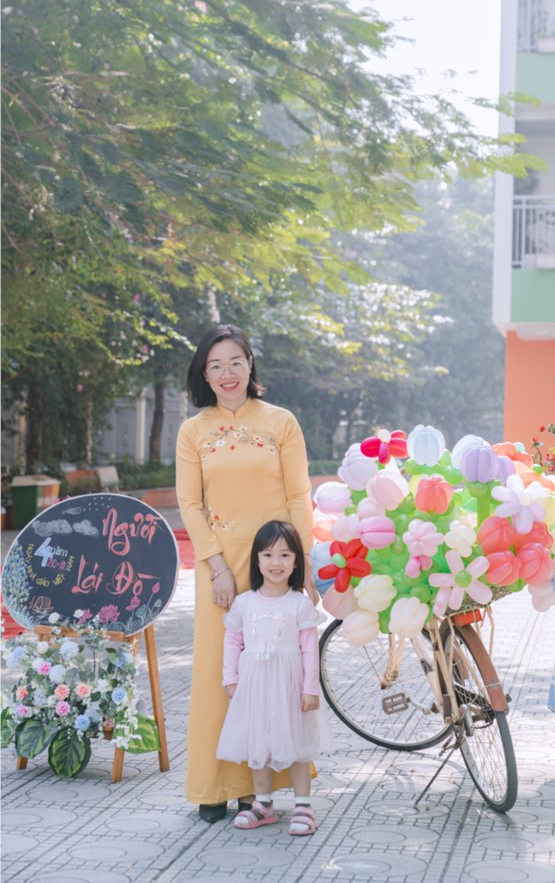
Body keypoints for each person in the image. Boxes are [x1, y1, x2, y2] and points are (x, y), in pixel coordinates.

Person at [176, 324, 318, 824]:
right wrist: (216, 566)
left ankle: (261, 790)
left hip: (274, 563)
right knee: (222, 673)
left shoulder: (281, 422)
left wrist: (301, 564)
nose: (227, 373)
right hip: (219, 567)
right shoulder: (193, 431)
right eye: (215, 365)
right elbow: (190, 503)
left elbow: (299, 495)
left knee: (274, 670)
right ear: (204, 374)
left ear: (250, 364)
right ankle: (215, 786)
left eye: (235, 362)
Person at [217, 520, 322, 835]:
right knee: (258, 741)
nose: (276, 562)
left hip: (291, 686)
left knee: (297, 743)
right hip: (254, 686)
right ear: (257, 560)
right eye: (268, 555)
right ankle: (262, 803)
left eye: (285, 555)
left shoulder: (299, 604)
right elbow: (232, 641)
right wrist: (230, 678)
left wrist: (310, 688)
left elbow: (310, 650)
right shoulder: (244, 602)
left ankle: (303, 805)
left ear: (296, 562)